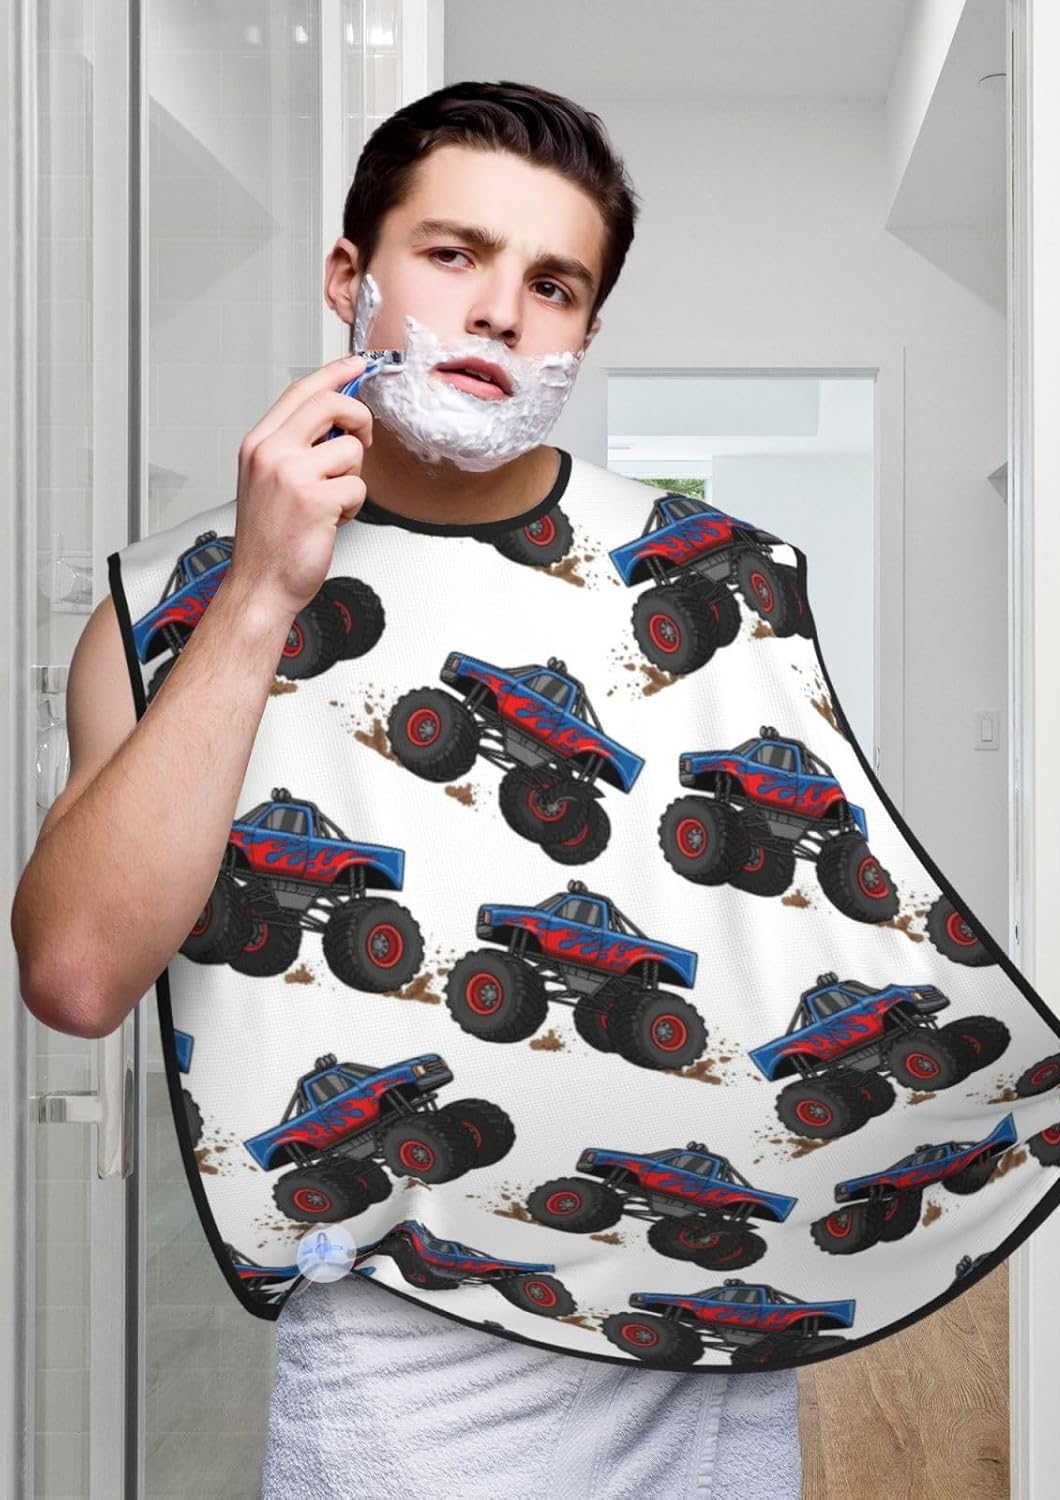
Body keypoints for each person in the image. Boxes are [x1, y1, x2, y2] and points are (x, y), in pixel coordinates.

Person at [13, 79, 803, 1498]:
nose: (500, 311)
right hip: (399, 1350)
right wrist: (261, 595)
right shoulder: (163, 603)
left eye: (553, 284)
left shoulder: (718, 583)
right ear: (350, 279)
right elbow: (75, 976)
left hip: (697, 1328)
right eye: (453, 254)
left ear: (585, 332)